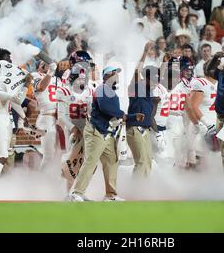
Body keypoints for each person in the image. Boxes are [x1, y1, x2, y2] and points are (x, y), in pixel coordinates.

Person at [68, 66, 144, 202]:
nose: (118, 76)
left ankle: (110, 195)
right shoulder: (102, 89)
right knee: (90, 161)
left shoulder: (110, 91)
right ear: (107, 75)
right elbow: (106, 108)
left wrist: (130, 117)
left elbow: (113, 112)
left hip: (107, 132)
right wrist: (127, 116)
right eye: (115, 73)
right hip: (97, 131)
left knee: (111, 162)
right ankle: (76, 192)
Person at [0, 48, 32, 200]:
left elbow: (10, 100)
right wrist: (25, 85)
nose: (10, 61)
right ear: (1, 60)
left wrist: (22, 115)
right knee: (2, 156)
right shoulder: (3, 79)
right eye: (8, 58)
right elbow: (17, 99)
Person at [126, 43, 159, 176]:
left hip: (145, 129)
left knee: (148, 162)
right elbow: (136, 72)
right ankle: (135, 192)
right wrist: (144, 52)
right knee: (141, 162)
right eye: (154, 79)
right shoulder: (136, 87)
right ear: (145, 78)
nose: (156, 82)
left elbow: (151, 115)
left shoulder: (150, 92)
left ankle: (143, 190)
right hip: (134, 128)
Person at [31, 61, 59, 171]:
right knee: (49, 155)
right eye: (44, 63)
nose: (47, 64)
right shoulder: (35, 75)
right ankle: (40, 181)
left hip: (59, 118)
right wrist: (50, 72)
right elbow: (41, 87)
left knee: (61, 153)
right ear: (39, 66)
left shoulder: (56, 79)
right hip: (47, 118)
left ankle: (56, 181)